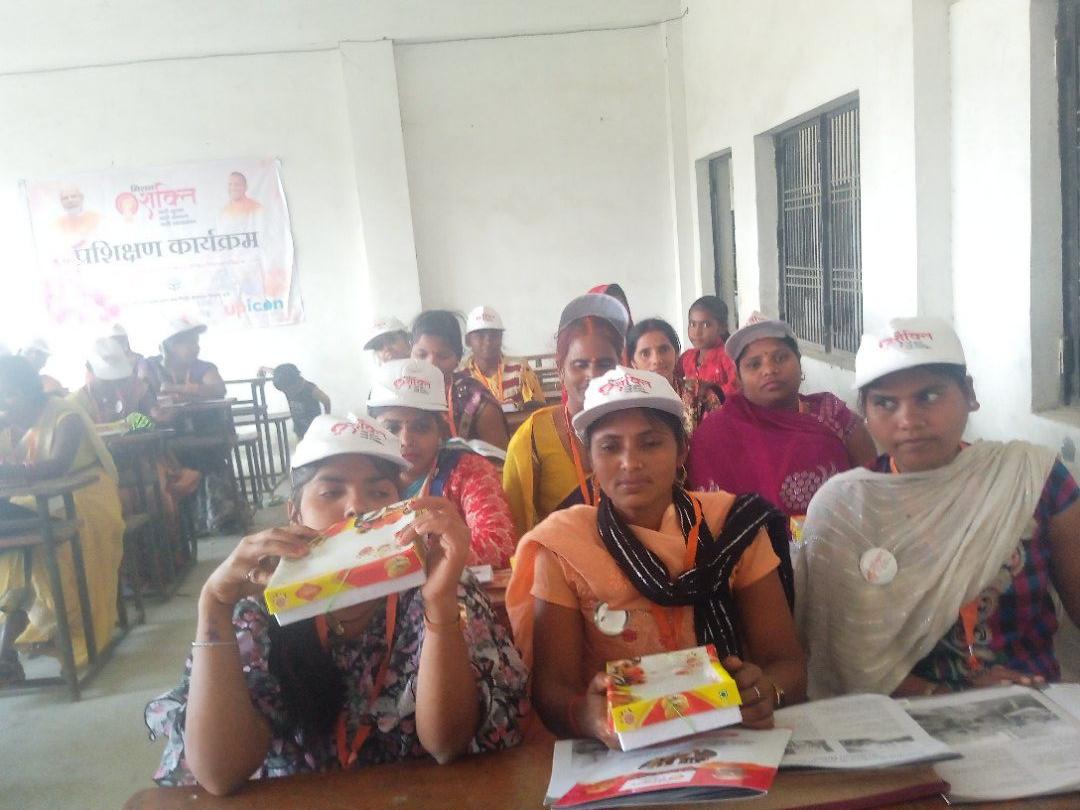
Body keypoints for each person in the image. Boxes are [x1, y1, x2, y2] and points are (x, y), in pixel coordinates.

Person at [144, 414, 528, 794]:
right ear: (294, 514)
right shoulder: (259, 609)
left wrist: (439, 603)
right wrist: (213, 605)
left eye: (379, 493)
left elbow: (446, 745)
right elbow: (219, 774)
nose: (356, 508)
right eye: (331, 492)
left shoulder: (438, 586)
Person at [505, 367, 804, 745]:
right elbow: (552, 691)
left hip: (732, 739)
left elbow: (786, 663)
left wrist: (766, 692)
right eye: (610, 447)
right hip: (618, 752)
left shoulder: (732, 527)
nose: (630, 462)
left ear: (682, 451)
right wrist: (587, 716)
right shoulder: (565, 547)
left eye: (650, 443)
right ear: (589, 458)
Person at [795, 318, 1080, 699]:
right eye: (885, 403)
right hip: (903, 715)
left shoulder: (1030, 478)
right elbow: (841, 661)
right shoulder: (845, 509)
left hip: (1034, 704)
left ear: (969, 394)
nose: (909, 420)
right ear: (864, 412)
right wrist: (948, 696)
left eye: (929, 396)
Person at [0, 356, 124, 682]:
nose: (4, 407)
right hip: (41, 498)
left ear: (22, 393)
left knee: (45, 548)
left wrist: (11, 471)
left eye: (7, 397)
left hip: (88, 494)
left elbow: (58, 465)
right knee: (19, 547)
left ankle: (65, 635)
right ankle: (10, 649)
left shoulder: (67, 413)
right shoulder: (20, 421)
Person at [686, 314, 877, 518]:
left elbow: (875, 486)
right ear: (739, 378)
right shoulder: (716, 434)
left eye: (780, 358)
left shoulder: (833, 414)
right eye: (754, 364)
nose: (769, 370)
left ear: (799, 364)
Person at [368, 359, 517, 568]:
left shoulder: (468, 470)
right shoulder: (360, 475)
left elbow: (501, 547)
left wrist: (437, 555)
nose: (406, 440)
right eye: (391, 428)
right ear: (373, 431)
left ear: (441, 431)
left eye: (421, 427)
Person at [502, 294, 628, 537]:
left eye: (605, 364)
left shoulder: (635, 428)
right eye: (580, 364)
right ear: (561, 370)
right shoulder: (533, 436)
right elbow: (515, 528)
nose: (593, 375)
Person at [410, 311, 509, 450]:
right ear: (410, 352)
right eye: (421, 355)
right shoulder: (398, 396)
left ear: (458, 359)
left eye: (443, 356)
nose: (431, 364)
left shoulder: (479, 404)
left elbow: (501, 462)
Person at [627, 317, 721, 435]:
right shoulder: (626, 405)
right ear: (633, 363)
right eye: (645, 353)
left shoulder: (701, 396)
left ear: (676, 353)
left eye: (664, 349)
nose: (656, 360)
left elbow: (720, 441)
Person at [462, 305, 545, 412]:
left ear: (501, 337)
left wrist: (517, 407)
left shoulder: (520, 369)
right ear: (468, 340)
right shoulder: (461, 375)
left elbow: (539, 411)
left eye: (493, 335)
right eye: (480, 335)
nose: (488, 341)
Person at [679, 296, 738, 420]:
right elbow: (673, 379)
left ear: (722, 327)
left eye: (706, 325)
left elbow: (738, 387)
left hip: (724, 420)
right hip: (693, 421)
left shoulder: (728, 356)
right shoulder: (687, 357)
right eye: (692, 324)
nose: (697, 332)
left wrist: (712, 390)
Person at [142, 318, 227, 402]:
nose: (197, 348)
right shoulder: (149, 366)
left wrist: (176, 388)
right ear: (169, 347)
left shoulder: (204, 367)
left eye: (196, 342)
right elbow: (145, 396)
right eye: (189, 343)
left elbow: (219, 390)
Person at [271, 364, 331, 439]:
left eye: (288, 390)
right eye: (284, 390)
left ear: (295, 382)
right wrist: (262, 368)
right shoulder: (284, 382)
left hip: (314, 430)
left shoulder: (310, 389)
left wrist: (327, 419)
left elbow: (326, 400)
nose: (287, 392)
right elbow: (274, 372)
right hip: (299, 429)